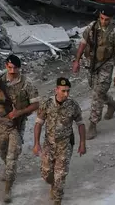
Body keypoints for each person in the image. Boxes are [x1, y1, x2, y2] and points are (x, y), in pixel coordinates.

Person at [0, 54, 39, 203]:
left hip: (16, 125)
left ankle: (8, 189)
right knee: (1, 149)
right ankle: (8, 168)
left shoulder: (27, 83)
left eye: (15, 68)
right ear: (6, 66)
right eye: (10, 67)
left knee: (12, 156)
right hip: (0, 123)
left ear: (19, 68)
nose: (12, 71)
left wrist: (20, 112)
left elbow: (36, 104)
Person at [72, 9, 115, 139]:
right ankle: (111, 103)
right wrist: (77, 61)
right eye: (101, 18)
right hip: (92, 63)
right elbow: (83, 44)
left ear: (111, 19)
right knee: (95, 89)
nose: (103, 21)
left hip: (106, 65)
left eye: (106, 19)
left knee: (97, 94)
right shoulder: (92, 27)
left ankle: (93, 124)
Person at [33, 77, 86, 205]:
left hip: (65, 145)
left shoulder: (73, 105)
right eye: (63, 91)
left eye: (68, 91)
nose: (66, 94)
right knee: (47, 174)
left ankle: (57, 199)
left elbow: (80, 124)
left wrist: (82, 143)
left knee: (60, 175)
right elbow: (38, 123)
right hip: (49, 145)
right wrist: (36, 143)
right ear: (56, 90)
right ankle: (53, 185)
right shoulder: (47, 104)